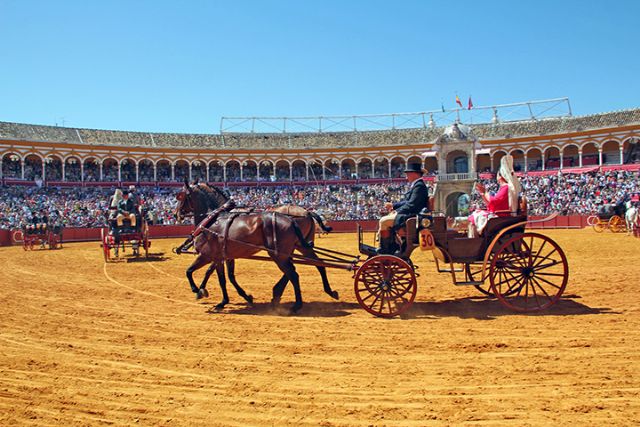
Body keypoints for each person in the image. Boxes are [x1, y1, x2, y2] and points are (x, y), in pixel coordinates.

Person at [377, 162, 429, 254]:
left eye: (408, 174)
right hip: (411, 213)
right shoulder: (418, 185)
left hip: (411, 215)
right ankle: (392, 245)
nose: (406, 177)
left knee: (383, 221)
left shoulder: (419, 186)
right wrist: (394, 206)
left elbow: (412, 204)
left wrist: (397, 211)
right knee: (385, 219)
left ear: (415, 174)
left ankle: (385, 249)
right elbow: (408, 202)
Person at [468, 154, 521, 237]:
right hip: (500, 214)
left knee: (476, 216)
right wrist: (483, 193)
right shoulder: (504, 187)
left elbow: (494, 201)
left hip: (502, 216)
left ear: (500, 177)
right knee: (476, 214)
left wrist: (485, 192)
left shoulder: (506, 187)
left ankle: (474, 241)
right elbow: (490, 203)